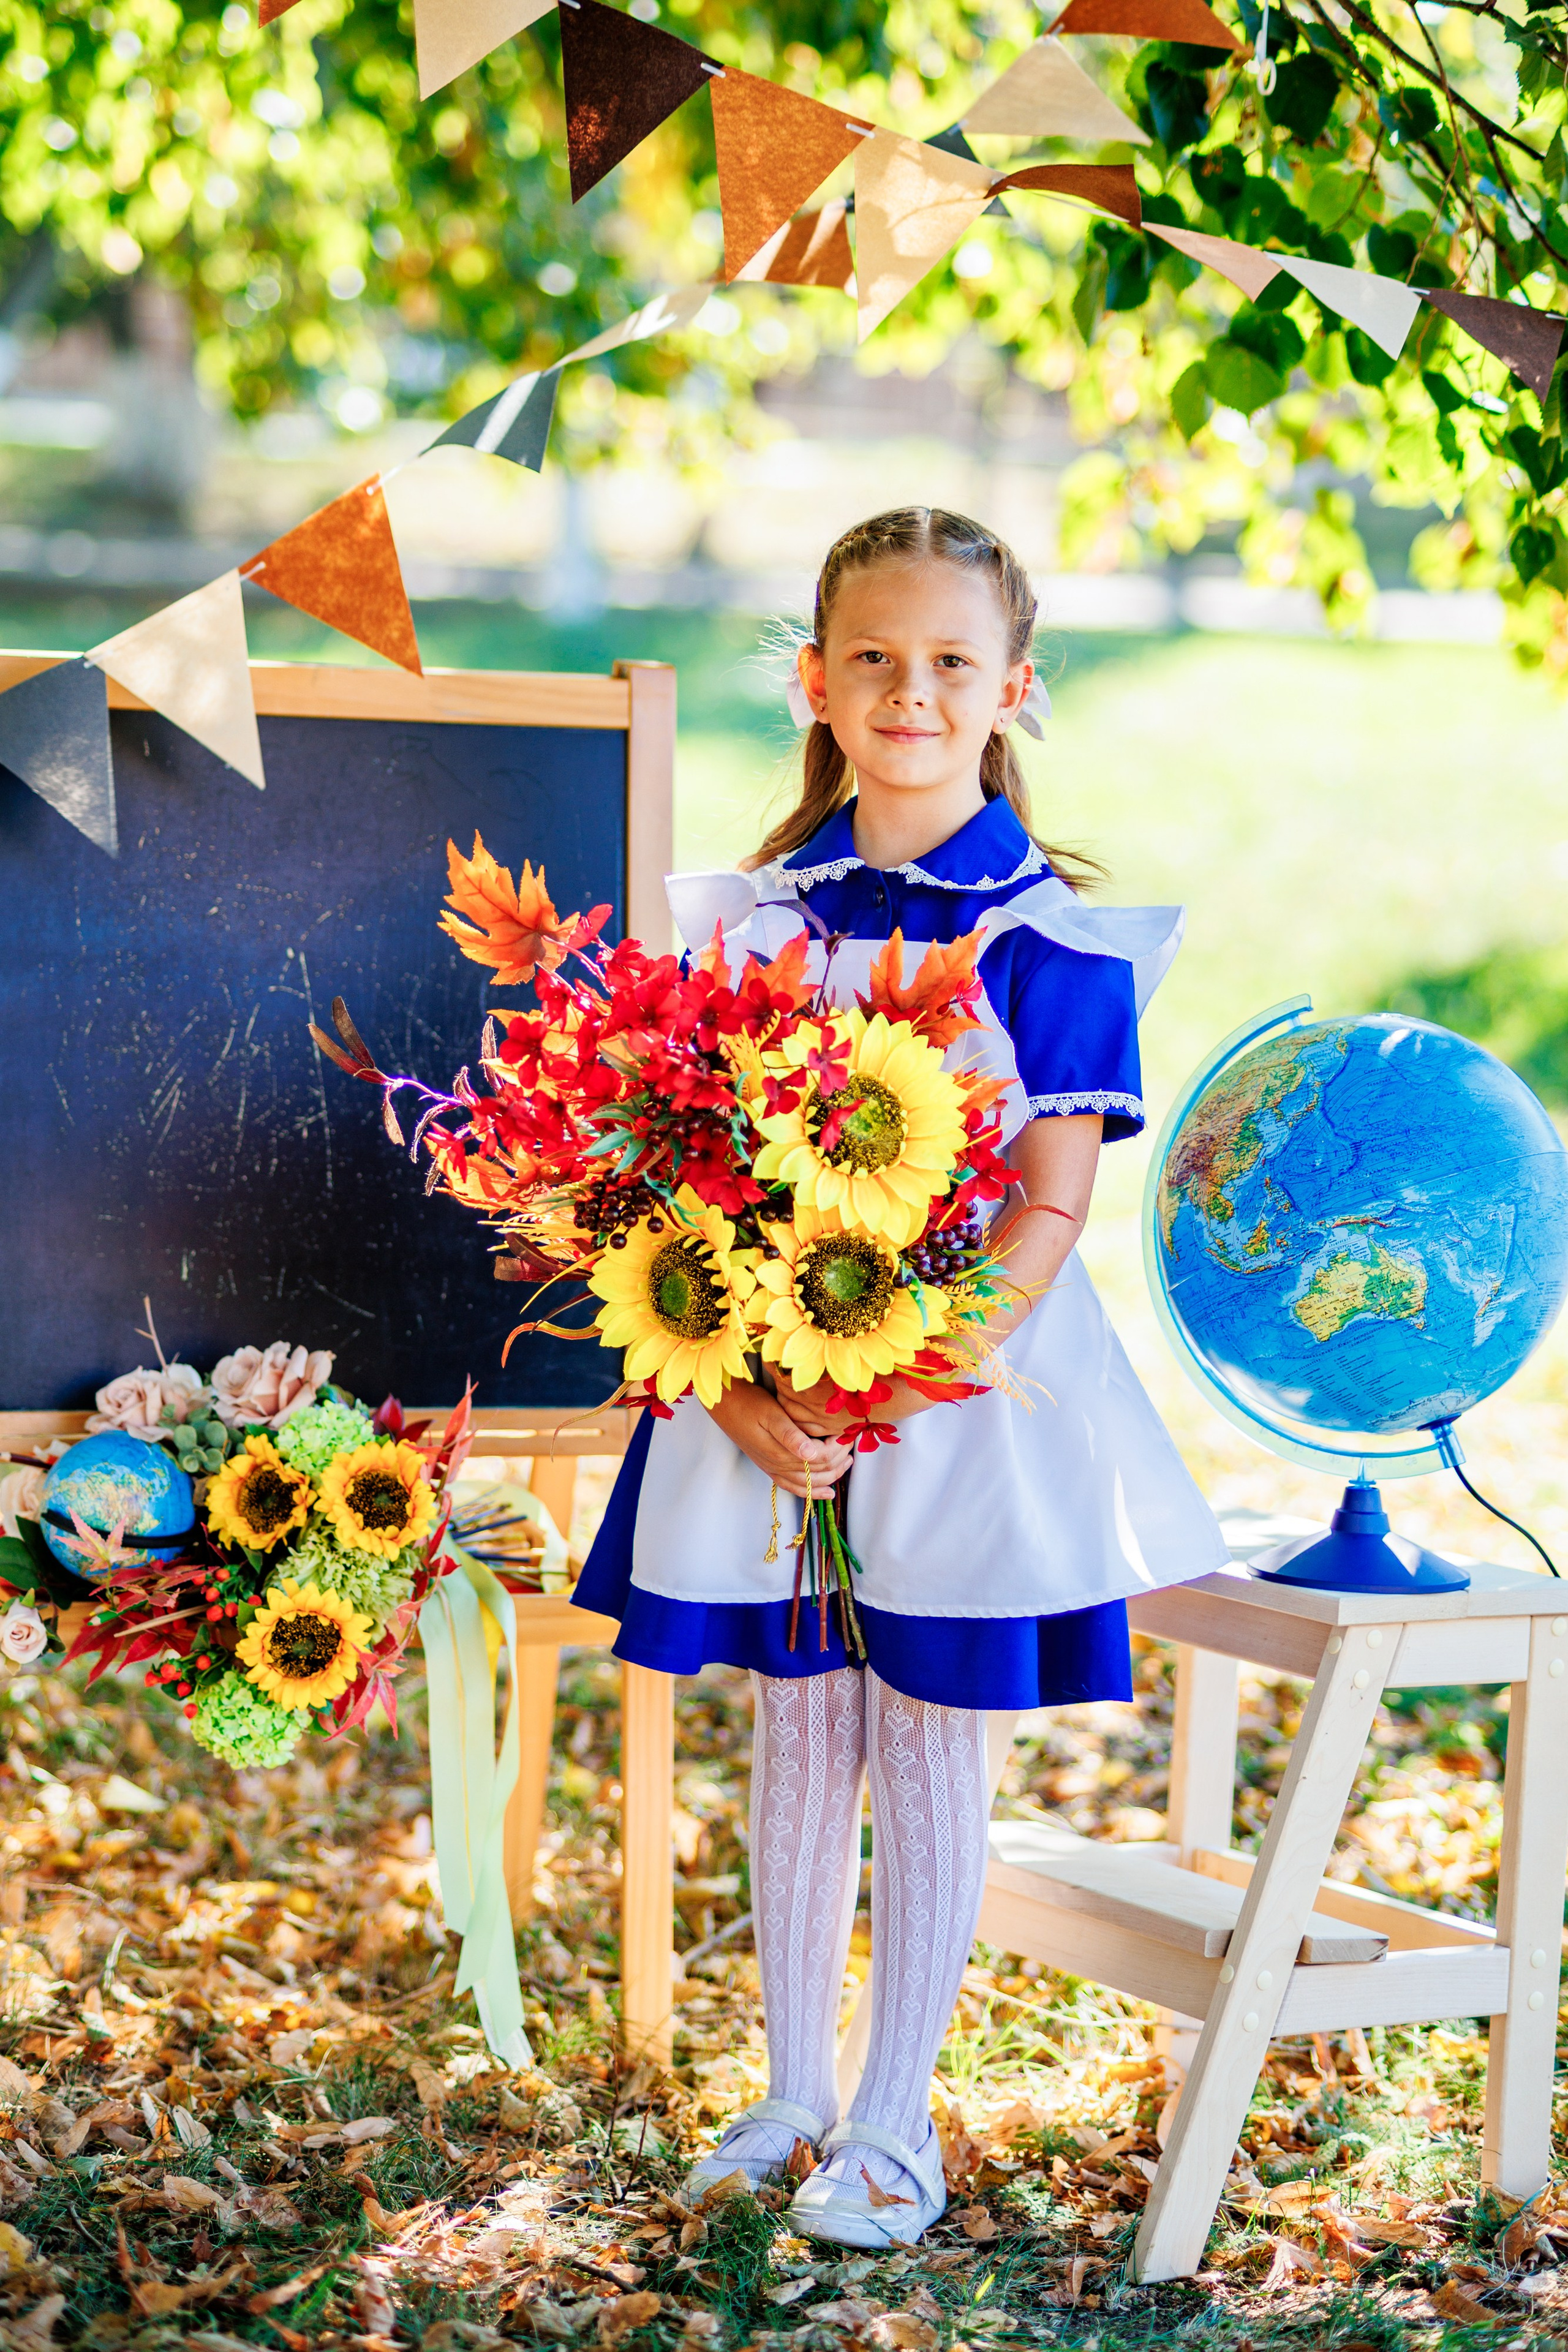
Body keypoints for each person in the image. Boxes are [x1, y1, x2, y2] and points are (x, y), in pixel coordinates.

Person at [573, 506, 1227, 2248]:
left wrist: (902, 1369)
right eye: (871, 657)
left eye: (949, 661)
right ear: (814, 679)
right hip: (764, 1402)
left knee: (930, 1744)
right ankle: (790, 2091)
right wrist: (738, 1394)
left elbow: (1052, 1196)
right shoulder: (746, 924)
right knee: (798, 1737)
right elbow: (672, 1185)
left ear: (1014, 684)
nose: (909, 690)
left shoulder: (1053, 937)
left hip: (957, 1401)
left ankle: (891, 2121)